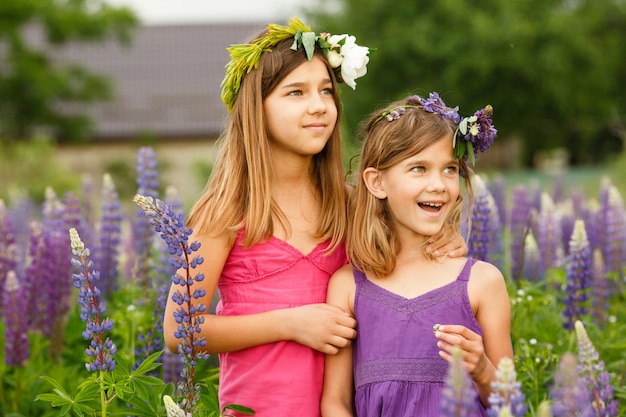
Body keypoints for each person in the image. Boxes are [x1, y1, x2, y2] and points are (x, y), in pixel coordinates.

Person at [162, 18, 466, 417]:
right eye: (296, 92)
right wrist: (290, 324)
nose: (319, 105)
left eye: (326, 90)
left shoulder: (353, 204)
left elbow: (408, 269)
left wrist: (439, 242)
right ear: (257, 108)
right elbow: (178, 330)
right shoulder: (228, 211)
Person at [321, 93, 513, 417]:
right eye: (419, 168)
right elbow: (335, 402)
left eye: (450, 169)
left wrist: (481, 368)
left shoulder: (482, 282)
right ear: (377, 181)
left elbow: (509, 401)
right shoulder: (348, 287)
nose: (439, 184)